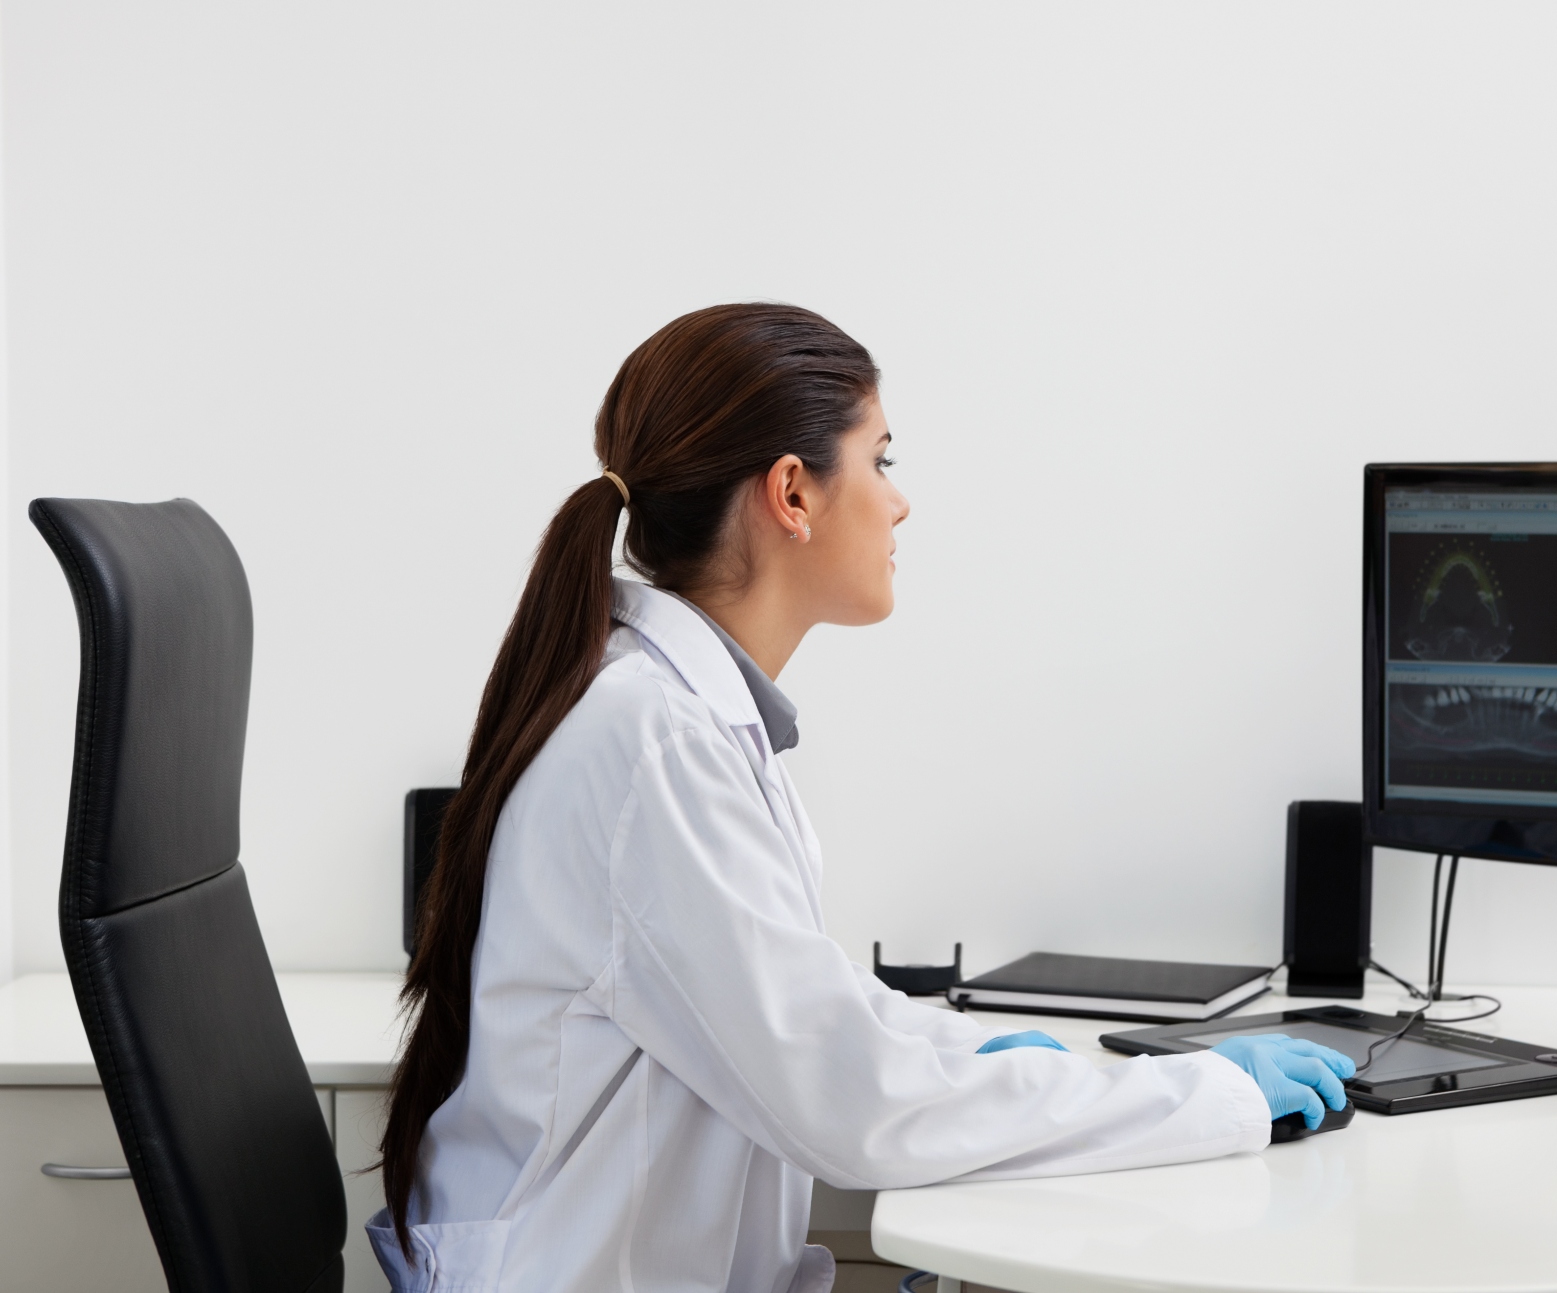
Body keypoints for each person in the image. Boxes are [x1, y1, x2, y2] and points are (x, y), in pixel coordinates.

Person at [372, 304, 1352, 1293]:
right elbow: (849, 1102)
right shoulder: (652, 740)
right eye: (880, 461)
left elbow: (813, 1008)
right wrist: (1202, 1095)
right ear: (792, 494)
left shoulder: (674, 713)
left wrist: (982, 1055)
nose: (899, 504)